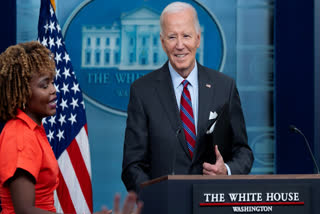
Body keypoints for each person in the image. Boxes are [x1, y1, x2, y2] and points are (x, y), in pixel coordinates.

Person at [121, 2, 254, 193]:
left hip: (213, 203)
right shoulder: (142, 91)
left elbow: (243, 152)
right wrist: (155, 198)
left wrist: (227, 171)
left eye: (186, 36)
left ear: (198, 39)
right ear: (162, 42)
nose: (180, 45)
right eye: (172, 37)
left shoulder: (225, 87)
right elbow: (132, 166)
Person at [0, 41, 143, 214]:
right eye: (44, 85)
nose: (53, 90)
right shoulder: (20, 135)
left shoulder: (34, 131)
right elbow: (24, 210)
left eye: (52, 82)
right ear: (23, 92)